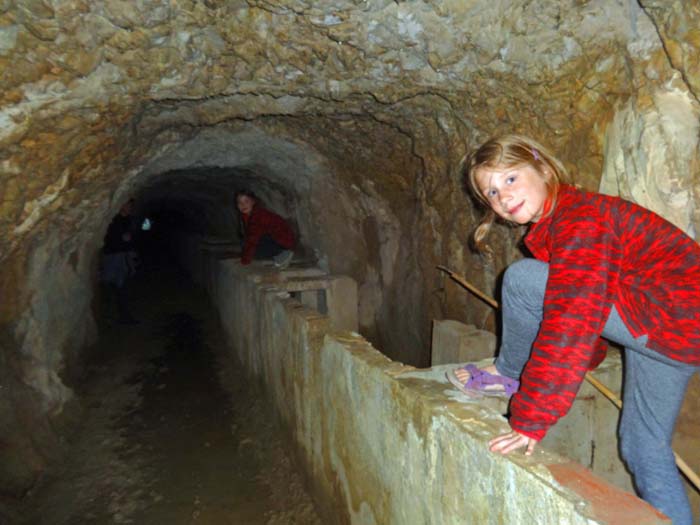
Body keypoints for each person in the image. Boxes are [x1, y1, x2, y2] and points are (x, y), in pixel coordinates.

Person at [447, 134, 699, 525]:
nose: (502, 197)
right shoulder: (559, 222)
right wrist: (589, 359)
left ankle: (507, 375)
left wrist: (532, 418)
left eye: (510, 179)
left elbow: (573, 316)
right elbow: (598, 297)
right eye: (491, 192)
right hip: (674, 337)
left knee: (525, 279)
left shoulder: (580, 219)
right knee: (642, 447)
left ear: (543, 169)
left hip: (668, 318)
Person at [101, 198, 140, 324]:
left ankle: (124, 316)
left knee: (122, 286)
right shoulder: (113, 220)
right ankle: (110, 315)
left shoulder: (128, 220)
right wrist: (121, 238)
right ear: (121, 205)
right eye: (127, 205)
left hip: (122, 256)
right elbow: (107, 238)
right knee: (109, 284)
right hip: (112, 256)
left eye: (130, 205)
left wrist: (131, 251)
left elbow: (130, 237)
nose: (129, 207)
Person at [235, 190, 295, 268]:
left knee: (251, 248)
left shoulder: (257, 215)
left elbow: (253, 238)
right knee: (245, 244)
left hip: (283, 241)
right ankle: (279, 254)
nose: (243, 205)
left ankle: (282, 253)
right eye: (240, 203)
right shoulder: (247, 216)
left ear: (253, 202)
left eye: (246, 201)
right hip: (278, 240)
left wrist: (244, 261)